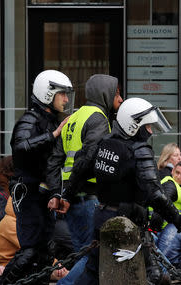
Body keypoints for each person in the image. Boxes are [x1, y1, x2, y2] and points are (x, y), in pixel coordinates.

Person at [68, 97, 181, 284]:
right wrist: (178, 219)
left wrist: (66, 195)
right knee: (151, 275)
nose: (150, 131)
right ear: (133, 125)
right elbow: (154, 194)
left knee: (91, 272)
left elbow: (80, 169)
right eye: (147, 127)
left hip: (102, 215)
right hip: (128, 221)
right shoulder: (138, 149)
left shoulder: (105, 142)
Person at [0, 70, 74, 284]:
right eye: (62, 94)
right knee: (30, 250)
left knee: (45, 253)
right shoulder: (30, 120)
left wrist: (55, 192)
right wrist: (53, 135)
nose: (66, 99)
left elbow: (51, 164)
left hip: (43, 195)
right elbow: (20, 147)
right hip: (28, 193)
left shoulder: (50, 120)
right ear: (48, 93)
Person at [47, 74, 123, 253]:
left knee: (82, 251)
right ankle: (65, 283)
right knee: (91, 254)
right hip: (88, 195)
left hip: (72, 196)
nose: (120, 99)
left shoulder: (73, 117)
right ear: (104, 94)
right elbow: (89, 160)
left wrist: (58, 193)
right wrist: (66, 194)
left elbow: (54, 161)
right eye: (116, 94)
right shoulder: (99, 119)